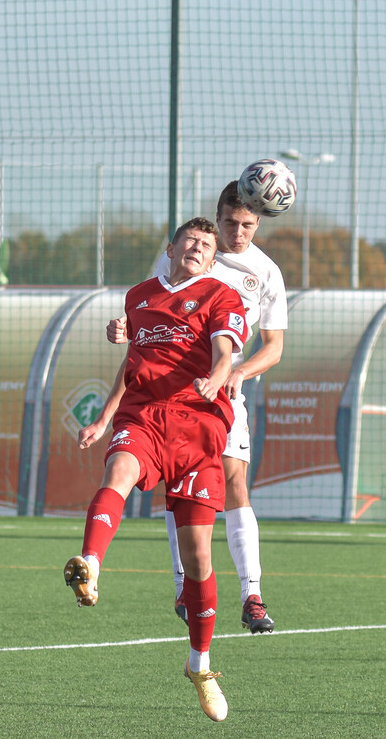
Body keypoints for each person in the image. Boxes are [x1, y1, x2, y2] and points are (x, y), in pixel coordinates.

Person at [67, 217, 248, 722]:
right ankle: (90, 566)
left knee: (197, 560)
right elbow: (132, 365)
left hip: (198, 425)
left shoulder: (219, 294)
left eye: (207, 245)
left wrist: (215, 379)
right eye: (189, 240)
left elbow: (225, 351)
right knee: (117, 474)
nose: (197, 247)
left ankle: (200, 665)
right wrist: (104, 418)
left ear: (213, 259)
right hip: (144, 415)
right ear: (171, 248)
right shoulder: (139, 296)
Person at [107, 181, 288, 633]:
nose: (238, 232)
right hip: (169, 396)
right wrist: (122, 330)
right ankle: (184, 588)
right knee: (177, 484)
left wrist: (240, 373)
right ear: (218, 216)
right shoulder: (192, 249)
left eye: (247, 225)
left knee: (235, 480)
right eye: (230, 222)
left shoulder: (265, 271)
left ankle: (252, 594)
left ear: (260, 221)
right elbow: (147, 317)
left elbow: (274, 346)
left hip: (224, 394)